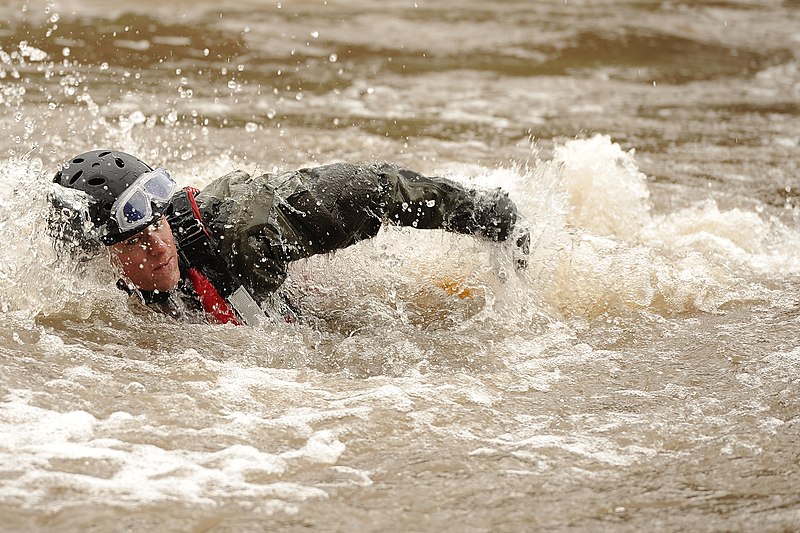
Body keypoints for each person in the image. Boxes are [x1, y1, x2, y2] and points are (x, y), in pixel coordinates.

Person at [50, 150, 529, 325]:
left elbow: (378, 188)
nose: (156, 244)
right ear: (100, 255)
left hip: (269, 268)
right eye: (134, 240)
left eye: (157, 225)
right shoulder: (89, 281)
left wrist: (486, 215)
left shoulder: (248, 225)